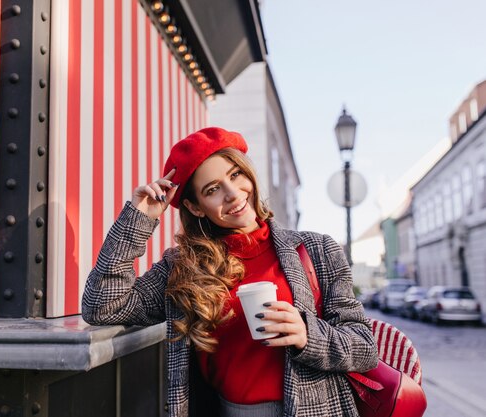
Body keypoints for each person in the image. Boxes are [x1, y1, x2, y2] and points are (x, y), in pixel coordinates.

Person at [82, 127, 378, 417]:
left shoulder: (317, 250)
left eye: (235, 174)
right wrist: (137, 220)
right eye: (212, 190)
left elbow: (364, 347)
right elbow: (103, 307)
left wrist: (307, 333)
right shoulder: (183, 267)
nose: (233, 194)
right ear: (195, 207)